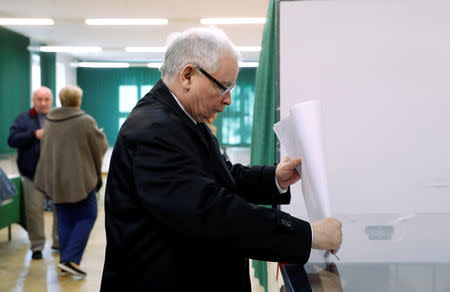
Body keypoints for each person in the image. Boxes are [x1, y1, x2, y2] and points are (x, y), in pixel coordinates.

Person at [100, 27, 342, 292]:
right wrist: (308, 235)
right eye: (223, 87)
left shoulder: (182, 119)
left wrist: (274, 178)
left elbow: (221, 176)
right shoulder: (153, 131)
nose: (228, 100)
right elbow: (211, 212)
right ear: (188, 75)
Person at [34, 85, 108, 277]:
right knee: (88, 216)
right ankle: (72, 259)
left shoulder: (50, 121)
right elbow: (99, 146)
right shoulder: (85, 121)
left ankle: (65, 260)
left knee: (65, 220)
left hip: (57, 180)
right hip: (81, 180)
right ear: (78, 101)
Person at [7, 86, 58, 260]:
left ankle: (58, 243)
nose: (43, 103)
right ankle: (37, 247)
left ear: (51, 101)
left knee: (60, 210)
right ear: (33, 100)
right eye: (39, 99)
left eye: (46, 99)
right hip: (32, 174)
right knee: (34, 213)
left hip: (56, 173)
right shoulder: (23, 119)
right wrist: (33, 135)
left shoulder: (58, 117)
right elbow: (12, 140)